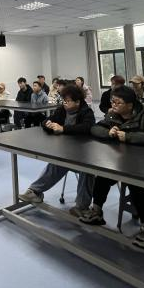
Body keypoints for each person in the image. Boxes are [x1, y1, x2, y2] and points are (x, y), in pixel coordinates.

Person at [79, 86, 144, 249]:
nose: (114, 105)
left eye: (118, 102)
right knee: (102, 175)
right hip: (120, 161)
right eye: (112, 101)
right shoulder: (113, 115)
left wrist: (129, 136)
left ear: (130, 105)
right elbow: (95, 128)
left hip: (142, 165)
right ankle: (96, 211)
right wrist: (108, 132)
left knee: (138, 186)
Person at [18, 85, 97, 216]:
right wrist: (48, 124)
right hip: (66, 151)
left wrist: (63, 129)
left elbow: (87, 128)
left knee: (87, 169)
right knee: (56, 163)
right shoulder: (62, 110)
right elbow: (46, 121)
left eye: (68, 101)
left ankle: (81, 207)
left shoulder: (86, 112)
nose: (64, 103)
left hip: (84, 154)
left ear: (77, 102)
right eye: (64, 100)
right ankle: (35, 192)